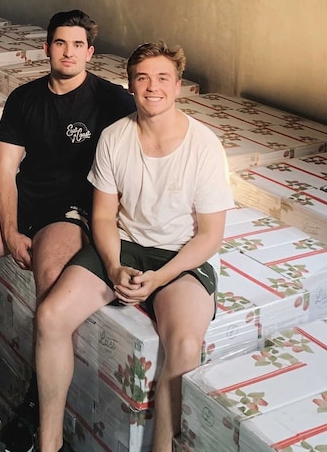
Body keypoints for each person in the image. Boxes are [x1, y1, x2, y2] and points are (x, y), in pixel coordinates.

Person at [0, 9, 136, 452]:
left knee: (50, 280)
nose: (68, 52)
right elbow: (6, 170)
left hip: (69, 209)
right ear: (47, 47)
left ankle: (36, 403)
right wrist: (11, 231)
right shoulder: (24, 98)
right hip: (24, 197)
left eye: (77, 45)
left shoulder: (112, 100)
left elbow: (149, 140)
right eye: (60, 43)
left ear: (90, 53)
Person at [33, 42, 235, 452]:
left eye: (163, 78)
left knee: (182, 346)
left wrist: (160, 277)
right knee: (51, 316)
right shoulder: (114, 137)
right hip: (123, 245)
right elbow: (104, 217)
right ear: (130, 86)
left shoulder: (205, 146)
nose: (152, 87)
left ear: (178, 86)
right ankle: (50, 443)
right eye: (142, 79)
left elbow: (210, 235)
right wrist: (113, 266)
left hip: (178, 258)